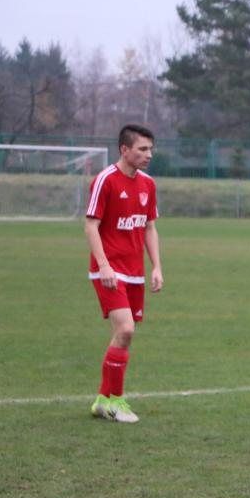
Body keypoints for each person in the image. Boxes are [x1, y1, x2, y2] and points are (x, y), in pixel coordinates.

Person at [84, 124, 163, 423]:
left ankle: (103, 401)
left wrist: (156, 266)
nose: (148, 155)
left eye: (150, 149)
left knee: (121, 334)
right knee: (126, 330)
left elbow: (149, 227)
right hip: (109, 270)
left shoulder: (148, 184)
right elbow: (91, 225)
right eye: (142, 149)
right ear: (124, 150)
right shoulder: (105, 181)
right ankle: (116, 401)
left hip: (134, 272)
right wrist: (103, 265)